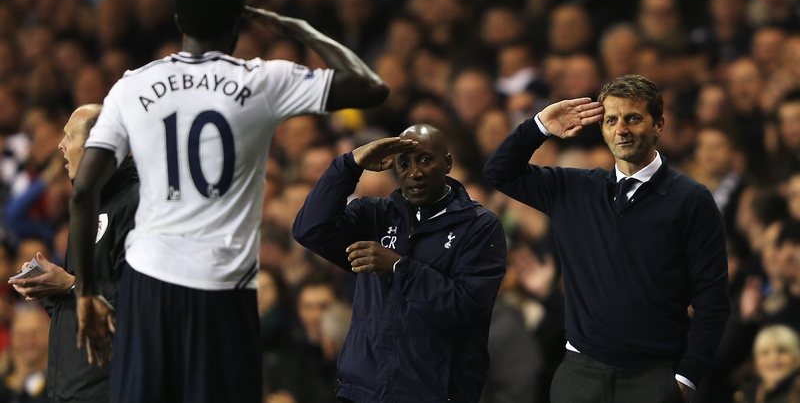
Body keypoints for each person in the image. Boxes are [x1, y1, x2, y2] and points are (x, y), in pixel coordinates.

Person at [68, 0, 388, 403]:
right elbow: (372, 87)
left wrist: (86, 290)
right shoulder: (263, 80)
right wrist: (302, 29)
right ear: (238, 24)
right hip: (223, 286)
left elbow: (85, 190)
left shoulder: (132, 86)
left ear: (179, 21)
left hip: (148, 281)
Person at [484, 74, 730, 403]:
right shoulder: (572, 189)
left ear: (659, 125)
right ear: (602, 129)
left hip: (654, 376)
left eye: (633, 118)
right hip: (578, 377)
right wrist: (540, 125)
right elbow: (499, 171)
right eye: (611, 120)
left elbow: (712, 300)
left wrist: (687, 378)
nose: (621, 129)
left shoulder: (692, 200)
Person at [293, 124, 507, 402]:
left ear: (448, 163)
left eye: (425, 159)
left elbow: (465, 309)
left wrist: (398, 267)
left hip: (434, 393)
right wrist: (350, 164)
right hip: (362, 390)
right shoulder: (372, 215)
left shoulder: (479, 227)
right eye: (403, 163)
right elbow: (309, 230)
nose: (414, 172)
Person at [10, 104, 139, 403]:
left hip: (109, 389)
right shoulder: (88, 205)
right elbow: (81, 304)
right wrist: (52, 290)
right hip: (71, 389)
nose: (61, 145)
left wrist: (69, 284)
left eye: (70, 136)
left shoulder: (135, 204)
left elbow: (138, 299)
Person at [734, 325, 800, 403]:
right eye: (765, 352)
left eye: (782, 351)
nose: (773, 358)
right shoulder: (746, 394)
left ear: (796, 356)